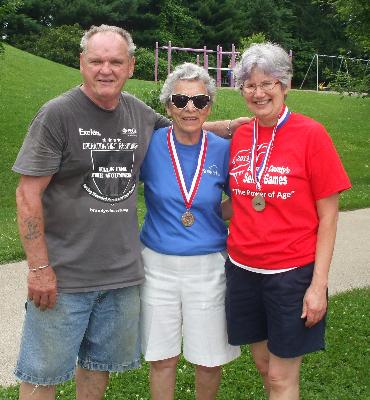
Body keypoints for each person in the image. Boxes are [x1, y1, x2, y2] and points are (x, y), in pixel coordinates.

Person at [12, 25, 245, 400]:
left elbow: (185, 130)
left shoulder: (138, 115)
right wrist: (39, 268)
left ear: (131, 66)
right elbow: (26, 194)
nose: (106, 69)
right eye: (97, 60)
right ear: (82, 63)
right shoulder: (57, 114)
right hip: (64, 275)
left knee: (96, 371)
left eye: (116, 61)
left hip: (122, 276)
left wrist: (232, 127)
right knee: (43, 374)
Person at [224, 43, 351, 400]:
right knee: (263, 364)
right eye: (249, 85)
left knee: (281, 376)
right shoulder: (241, 137)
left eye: (268, 83)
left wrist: (317, 285)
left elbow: (328, 216)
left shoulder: (311, 134)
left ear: (285, 85)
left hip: (291, 273)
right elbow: (240, 201)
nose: (258, 92)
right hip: (243, 269)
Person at [139, 63, 240, 400]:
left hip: (208, 266)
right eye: (180, 100)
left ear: (209, 105)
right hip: (157, 266)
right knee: (161, 357)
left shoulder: (223, 149)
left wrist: (211, 212)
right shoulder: (149, 145)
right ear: (168, 105)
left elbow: (238, 201)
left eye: (199, 101)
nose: (190, 108)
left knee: (209, 360)